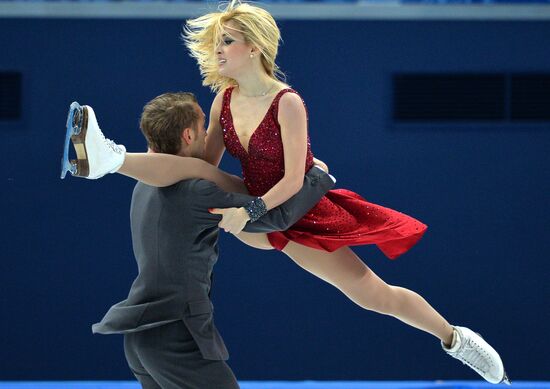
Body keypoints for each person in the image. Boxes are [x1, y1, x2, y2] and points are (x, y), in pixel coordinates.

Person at [62, 1, 509, 384]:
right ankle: (107, 159)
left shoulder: (287, 102)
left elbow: (295, 181)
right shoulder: (224, 99)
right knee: (192, 172)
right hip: (253, 206)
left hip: (292, 208)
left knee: (375, 295)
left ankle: (455, 338)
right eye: (216, 42)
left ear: (254, 46)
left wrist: (248, 212)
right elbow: (203, 168)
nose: (217, 50)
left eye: (227, 42)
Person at [70, 92, 336, 389]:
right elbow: (276, 218)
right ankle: (108, 158)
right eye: (203, 128)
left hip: (141, 338)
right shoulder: (196, 191)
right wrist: (315, 177)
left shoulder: (144, 185)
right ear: (187, 135)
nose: (210, 134)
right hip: (175, 336)